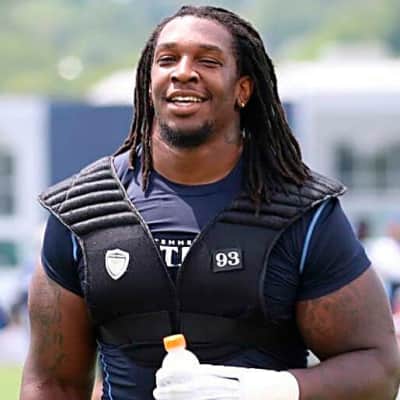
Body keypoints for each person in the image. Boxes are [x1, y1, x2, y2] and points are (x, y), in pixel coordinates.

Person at [20, 5, 400, 400]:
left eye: (208, 61)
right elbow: (52, 382)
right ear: (148, 82)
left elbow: (378, 369)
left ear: (243, 90)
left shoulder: (303, 214)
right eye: (167, 59)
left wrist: (273, 389)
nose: (183, 72)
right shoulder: (82, 212)